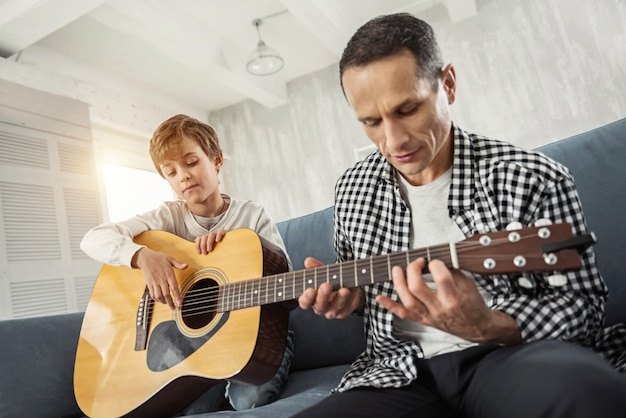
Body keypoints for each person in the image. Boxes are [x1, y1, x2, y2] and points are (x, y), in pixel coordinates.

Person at [295, 13, 626, 418]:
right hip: (397, 374)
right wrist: (351, 297)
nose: (392, 140)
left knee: (584, 392)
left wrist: (491, 324)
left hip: (507, 358)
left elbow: (584, 308)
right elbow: (359, 280)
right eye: (371, 122)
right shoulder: (352, 189)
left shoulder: (534, 178)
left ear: (447, 84)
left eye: (408, 109)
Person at [80, 114, 294, 413]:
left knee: (248, 400)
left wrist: (235, 249)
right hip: (193, 347)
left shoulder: (252, 215)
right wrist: (142, 256)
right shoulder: (168, 217)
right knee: (190, 410)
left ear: (217, 160)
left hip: (257, 337)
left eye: (191, 162)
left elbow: (288, 290)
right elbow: (93, 238)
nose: (183, 175)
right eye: (171, 171)